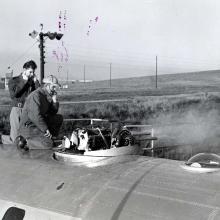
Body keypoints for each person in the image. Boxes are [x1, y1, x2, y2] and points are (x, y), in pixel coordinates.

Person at [16, 75, 63, 150]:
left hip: (36, 125)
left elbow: (52, 113)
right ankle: (24, 141)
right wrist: (45, 129)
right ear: (47, 86)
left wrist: (54, 101)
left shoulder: (45, 95)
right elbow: (35, 116)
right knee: (49, 145)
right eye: (53, 87)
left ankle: (50, 138)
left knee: (58, 118)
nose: (55, 89)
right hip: (29, 127)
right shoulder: (35, 95)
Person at [1, 60, 40, 144]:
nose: (32, 74)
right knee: (15, 137)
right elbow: (14, 95)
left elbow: (40, 93)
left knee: (25, 138)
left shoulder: (32, 82)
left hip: (28, 111)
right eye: (30, 72)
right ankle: (2, 139)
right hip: (17, 109)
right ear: (24, 70)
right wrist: (24, 81)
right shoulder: (14, 80)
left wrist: (36, 81)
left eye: (33, 72)